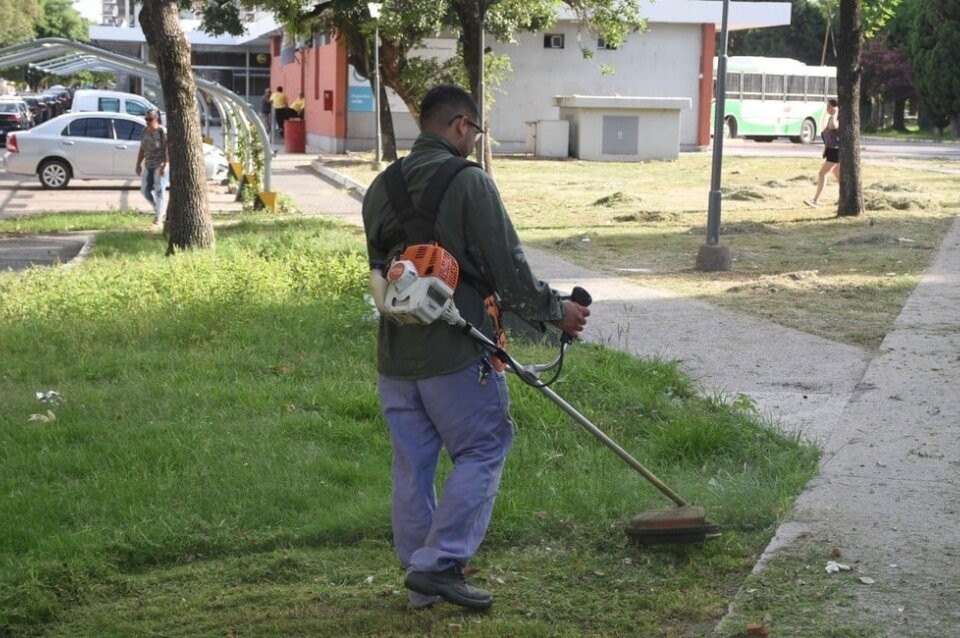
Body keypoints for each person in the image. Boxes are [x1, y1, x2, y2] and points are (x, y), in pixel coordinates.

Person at [362, 84, 590, 611]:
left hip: (395, 354)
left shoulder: (380, 187)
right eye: (476, 131)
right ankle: (439, 565)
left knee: (412, 464)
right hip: (457, 350)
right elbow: (509, 272)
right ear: (461, 125)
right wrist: (558, 312)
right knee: (483, 449)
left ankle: (421, 578)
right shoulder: (469, 182)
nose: (474, 140)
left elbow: (381, 272)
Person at [134, 108, 168, 228]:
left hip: (160, 165)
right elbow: (142, 148)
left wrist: (165, 164)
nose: (147, 121)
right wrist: (138, 163)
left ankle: (159, 218)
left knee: (159, 191)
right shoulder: (144, 131)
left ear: (156, 118)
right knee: (144, 190)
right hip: (148, 164)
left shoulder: (162, 131)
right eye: (146, 119)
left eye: (150, 119)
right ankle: (159, 210)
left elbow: (168, 149)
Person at [806, 98, 840, 207]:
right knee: (838, 176)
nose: (827, 109)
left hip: (835, 151)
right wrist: (825, 149)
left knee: (822, 174)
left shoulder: (836, 118)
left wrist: (835, 114)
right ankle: (843, 198)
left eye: (829, 107)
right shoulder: (831, 117)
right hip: (831, 150)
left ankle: (815, 200)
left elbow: (833, 126)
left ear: (834, 107)